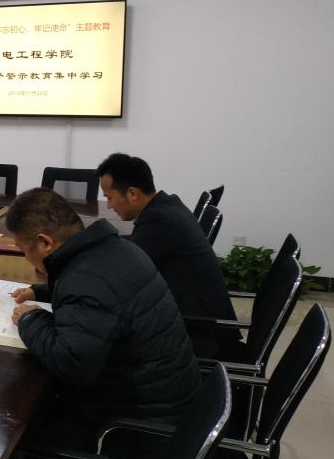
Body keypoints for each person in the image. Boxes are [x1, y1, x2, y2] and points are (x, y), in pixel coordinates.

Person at [9, 188, 200, 431]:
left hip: (142, 426)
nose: (25, 258)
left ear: (44, 242)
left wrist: (31, 319)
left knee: (21, 418)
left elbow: (71, 364)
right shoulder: (116, 248)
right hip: (171, 397)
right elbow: (104, 296)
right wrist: (42, 291)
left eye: (23, 250)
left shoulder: (84, 282)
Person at [96, 152, 242, 359]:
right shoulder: (167, 205)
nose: (109, 206)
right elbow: (131, 247)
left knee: (99, 343)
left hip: (199, 335)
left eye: (109, 197)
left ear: (132, 193)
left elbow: (122, 271)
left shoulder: (159, 219)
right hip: (201, 322)